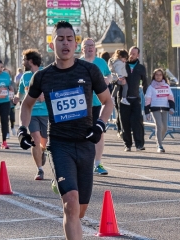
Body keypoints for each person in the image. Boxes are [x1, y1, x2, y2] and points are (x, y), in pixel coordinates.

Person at [17, 21, 113, 240]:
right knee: (70, 205)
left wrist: (100, 124)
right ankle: (63, 182)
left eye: (70, 38)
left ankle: (59, 183)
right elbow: (26, 105)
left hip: (86, 143)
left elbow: (108, 102)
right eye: (60, 39)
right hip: (60, 145)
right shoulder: (43, 76)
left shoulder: (89, 70)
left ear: (75, 43)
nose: (65, 43)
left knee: (79, 210)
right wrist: (22, 129)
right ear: (52, 44)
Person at [14, 48, 48, 180]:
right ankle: (40, 170)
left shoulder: (46, 73)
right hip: (32, 113)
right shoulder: (25, 76)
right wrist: (17, 97)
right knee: (35, 138)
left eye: (24, 59)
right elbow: (21, 92)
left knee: (44, 141)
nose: (22, 62)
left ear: (30, 61)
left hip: (46, 113)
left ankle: (42, 152)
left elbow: (55, 89)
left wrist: (45, 94)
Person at [80, 38, 112, 175]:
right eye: (87, 46)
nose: (90, 48)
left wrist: (107, 80)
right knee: (81, 134)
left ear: (95, 48)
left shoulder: (101, 62)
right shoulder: (77, 63)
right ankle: (81, 163)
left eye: (92, 45)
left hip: (97, 103)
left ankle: (98, 164)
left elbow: (109, 75)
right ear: (83, 49)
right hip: (81, 105)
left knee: (99, 133)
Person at [118, 46, 148, 151]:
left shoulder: (141, 68)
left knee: (137, 122)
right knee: (125, 122)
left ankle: (139, 144)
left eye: (134, 54)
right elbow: (115, 79)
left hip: (135, 98)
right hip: (123, 98)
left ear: (138, 55)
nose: (131, 55)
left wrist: (147, 98)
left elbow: (145, 84)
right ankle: (128, 144)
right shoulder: (122, 65)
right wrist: (118, 81)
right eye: (130, 53)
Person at [144, 69, 175, 153]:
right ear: (154, 76)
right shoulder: (151, 87)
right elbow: (147, 100)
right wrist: (147, 112)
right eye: (156, 75)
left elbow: (171, 98)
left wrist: (172, 107)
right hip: (155, 108)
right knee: (159, 125)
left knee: (165, 127)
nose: (158, 76)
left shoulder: (167, 86)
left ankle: (158, 140)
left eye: (160, 75)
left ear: (163, 76)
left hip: (165, 108)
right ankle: (160, 145)